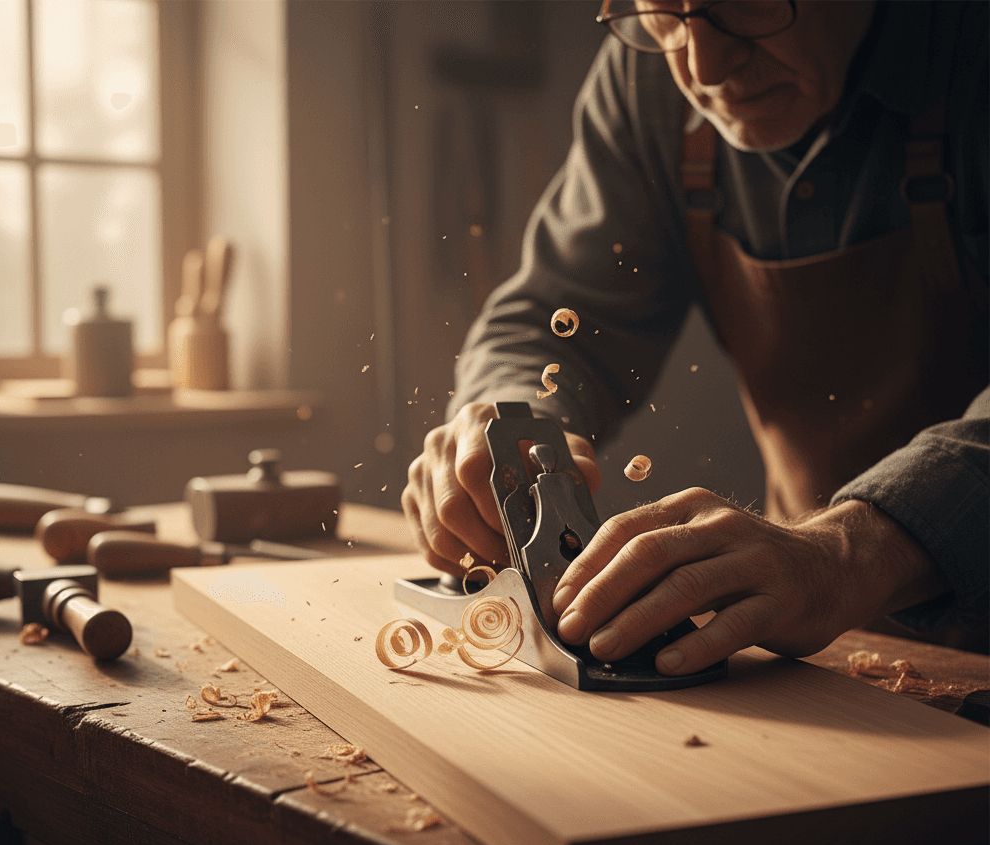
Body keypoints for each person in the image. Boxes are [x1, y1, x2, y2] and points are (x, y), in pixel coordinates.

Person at [402, 0, 989, 673]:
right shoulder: (649, 77)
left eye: (749, 6)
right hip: (819, 652)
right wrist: (506, 422)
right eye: (664, 12)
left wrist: (853, 552)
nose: (705, 67)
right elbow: (558, 317)